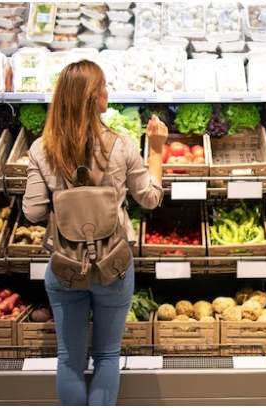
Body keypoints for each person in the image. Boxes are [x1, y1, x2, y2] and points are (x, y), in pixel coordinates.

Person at [23, 60, 168, 406]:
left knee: (69, 359)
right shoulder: (121, 145)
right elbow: (149, 198)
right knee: (106, 355)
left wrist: (65, 204)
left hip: (65, 266)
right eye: (102, 86)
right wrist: (158, 149)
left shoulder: (41, 149)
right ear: (91, 98)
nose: (107, 92)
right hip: (113, 265)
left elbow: (32, 212)